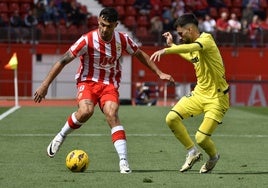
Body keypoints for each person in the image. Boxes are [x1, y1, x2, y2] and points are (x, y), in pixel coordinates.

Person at [33, 7, 174, 174]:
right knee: (86, 111)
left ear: (116, 25)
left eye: (108, 26)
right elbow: (63, 60)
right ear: (98, 21)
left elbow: (140, 54)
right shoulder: (86, 40)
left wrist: (159, 72)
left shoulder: (122, 40)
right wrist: (45, 85)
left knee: (112, 114)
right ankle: (61, 135)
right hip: (87, 81)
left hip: (109, 84)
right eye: (101, 24)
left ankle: (123, 161)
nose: (104, 29)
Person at [150, 13, 229, 173]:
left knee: (201, 138)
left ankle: (213, 157)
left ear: (190, 29)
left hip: (217, 98)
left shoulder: (206, 40)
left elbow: (192, 48)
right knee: (171, 118)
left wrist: (166, 51)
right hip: (199, 94)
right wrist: (172, 45)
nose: (179, 37)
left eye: (180, 34)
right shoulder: (194, 47)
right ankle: (192, 152)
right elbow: (189, 54)